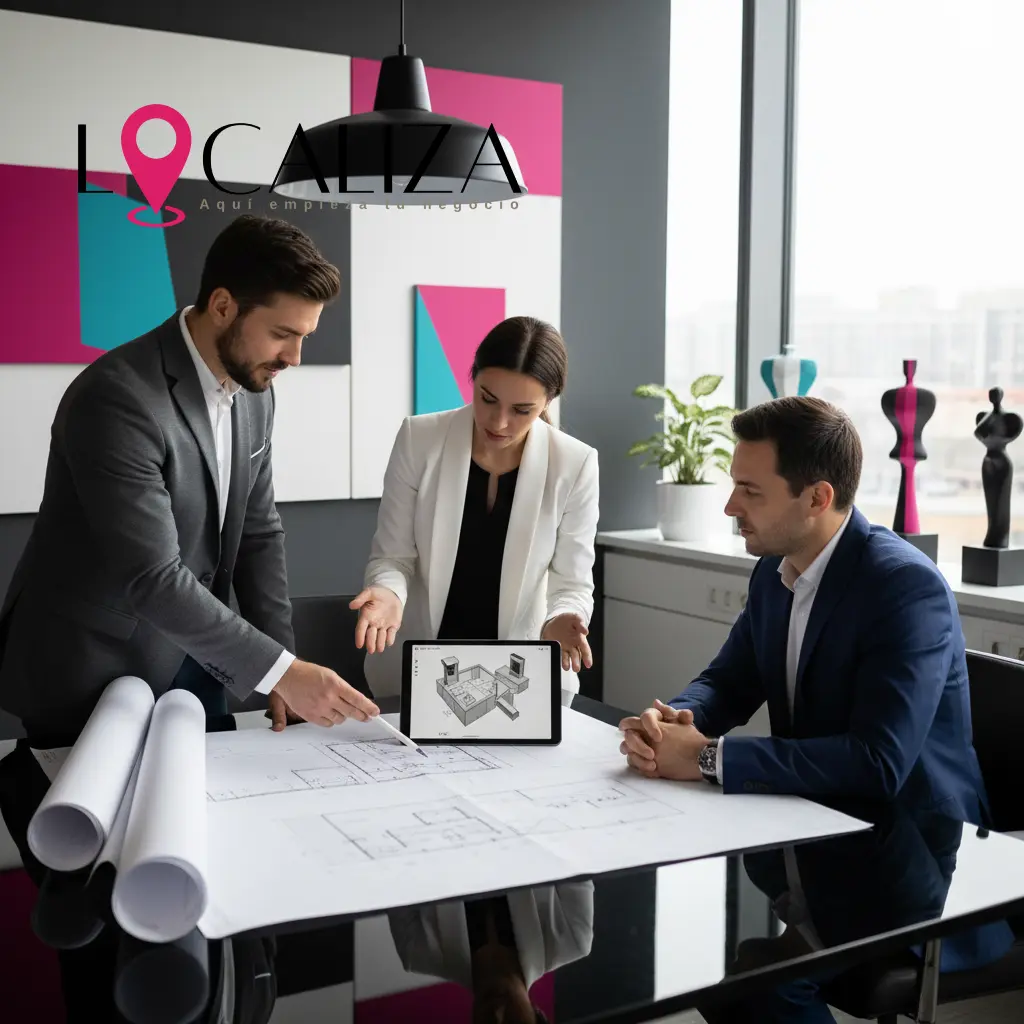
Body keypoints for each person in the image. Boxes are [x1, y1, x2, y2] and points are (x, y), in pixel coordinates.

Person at [618, 396, 1011, 1023]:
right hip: (810, 837)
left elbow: (878, 764)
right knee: (715, 961)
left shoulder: (903, 588)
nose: (729, 506)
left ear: (816, 498)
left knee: (746, 983)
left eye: (749, 490)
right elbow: (729, 680)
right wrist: (675, 720)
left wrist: (712, 758)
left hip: (908, 866)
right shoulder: (775, 570)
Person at [0, 213, 380, 860]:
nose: (294, 358)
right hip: (92, 674)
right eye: (283, 334)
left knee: (207, 854)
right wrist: (285, 672)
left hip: (198, 660)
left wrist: (277, 676)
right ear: (224, 306)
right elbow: (152, 578)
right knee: (97, 879)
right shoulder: (116, 399)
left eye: (305, 337)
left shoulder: (256, 390)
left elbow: (259, 532)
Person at [351, 316, 600, 701]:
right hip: (416, 670)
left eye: (522, 409)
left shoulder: (575, 463)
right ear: (474, 377)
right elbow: (393, 557)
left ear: (548, 402)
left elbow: (572, 582)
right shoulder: (420, 440)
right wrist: (387, 592)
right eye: (488, 398)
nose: (499, 422)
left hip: (520, 678)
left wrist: (563, 616)